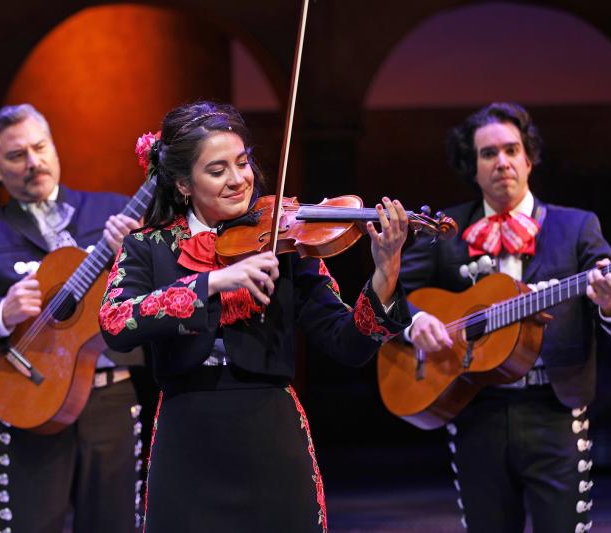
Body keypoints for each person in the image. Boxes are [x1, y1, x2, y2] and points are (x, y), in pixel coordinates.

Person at [98, 101, 412, 533]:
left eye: (243, 163)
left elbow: (350, 343)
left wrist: (385, 273)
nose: (238, 179)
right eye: (218, 170)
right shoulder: (147, 247)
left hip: (271, 435)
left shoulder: (284, 240)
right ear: (183, 183)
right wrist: (213, 283)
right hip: (187, 441)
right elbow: (116, 322)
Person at [399, 102, 611, 533]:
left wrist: (609, 301)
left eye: (511, 149)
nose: (501, 162)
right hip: (474, 407)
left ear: (529, 157)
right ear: (473, 166)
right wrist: (416, 321)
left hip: (554, 408)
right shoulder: (445, 231)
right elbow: (394, 298)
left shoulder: (577, 227)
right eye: (488, 154)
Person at [0, 103, 146, 533]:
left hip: (109, 399)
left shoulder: (112, 213)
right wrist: (0, 313)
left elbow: (161, 291)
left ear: (55, 148)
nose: (33, 162)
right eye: (16, 155)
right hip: (29, 402)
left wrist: (131, 257)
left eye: (40, 147)